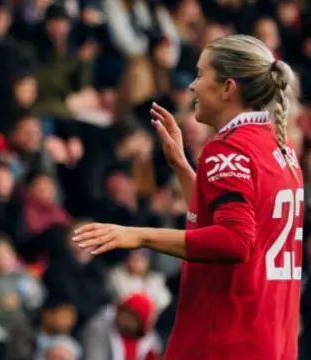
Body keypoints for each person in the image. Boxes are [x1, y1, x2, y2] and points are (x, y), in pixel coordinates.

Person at [73, 34, 302, 359]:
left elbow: (235, 240)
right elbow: (226, 218)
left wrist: (138, 235)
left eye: (200, 74)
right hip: (270, 339)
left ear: (227, 88)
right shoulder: (279, 145)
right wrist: (181, 165)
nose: (193, 86)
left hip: (226, 340)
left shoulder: (229, 147)